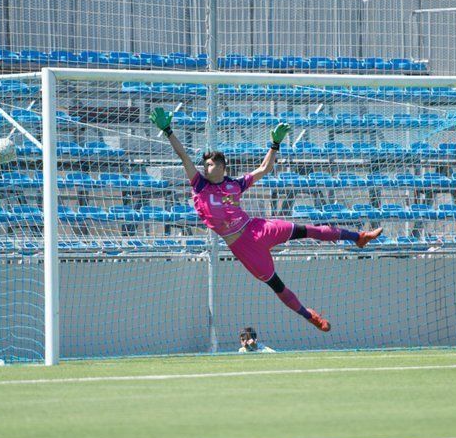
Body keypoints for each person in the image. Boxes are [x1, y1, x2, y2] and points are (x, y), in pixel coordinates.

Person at [150, 107, 382, 332]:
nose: (204, 167)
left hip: (257, 228)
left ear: (221, 166)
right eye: (204, 164)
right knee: (277, 285)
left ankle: (358, 237)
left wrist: (274, 144)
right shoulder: (199, 185)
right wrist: (168, 130)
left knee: (308, 229)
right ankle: (309, 316)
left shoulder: (235, 184)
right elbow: (183, 156)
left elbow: (264, 168)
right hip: (241, 246)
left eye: (209, 164)